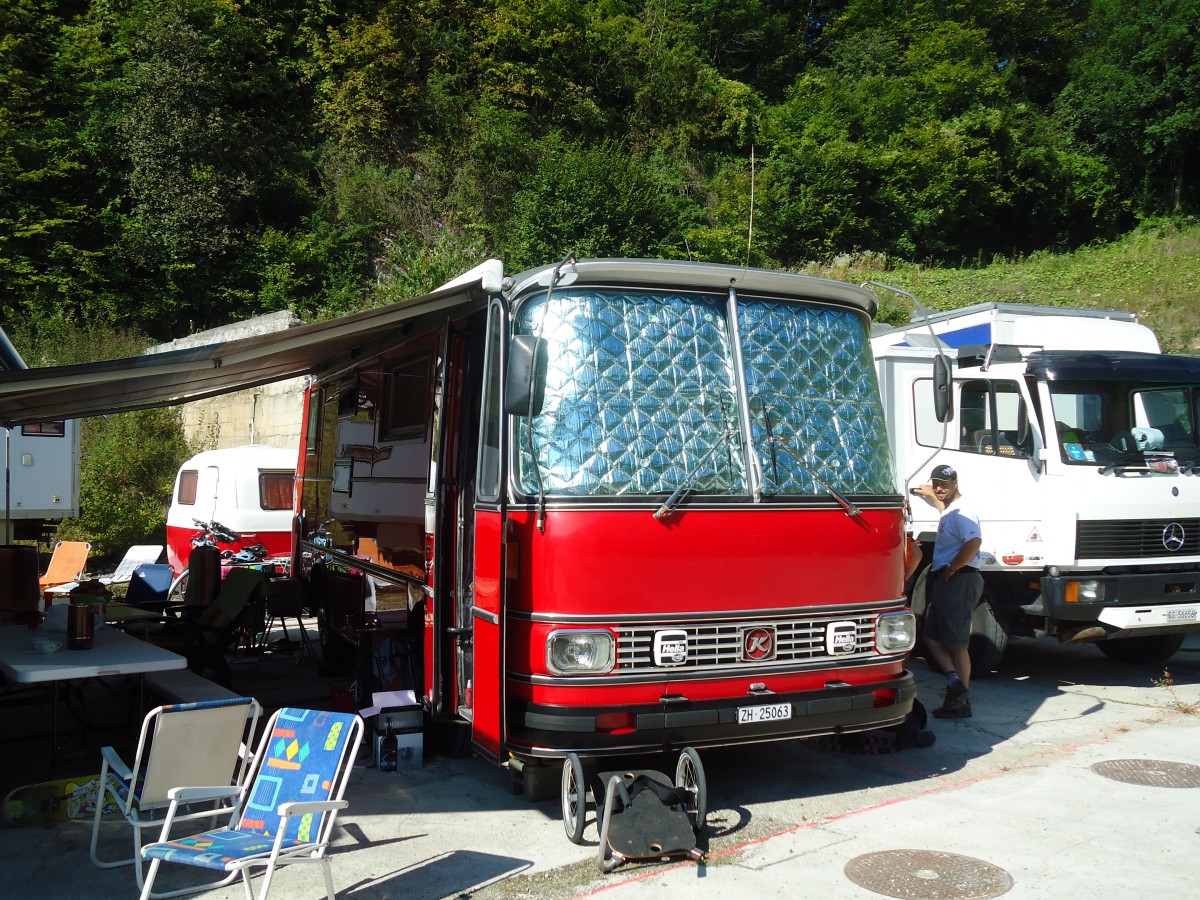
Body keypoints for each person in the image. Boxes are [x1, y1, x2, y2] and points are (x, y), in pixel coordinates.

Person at [911, 463, 983, 719]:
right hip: (948, 581)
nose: (940, 488)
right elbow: (944, 508)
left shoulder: (963, 511)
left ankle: (962, 701)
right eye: (936, 483)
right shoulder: (951, 509)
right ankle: (954, 682)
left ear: (956, 483)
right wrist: (931, 496)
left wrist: (952, 569)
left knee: (956, 644)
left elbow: (974, 542)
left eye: (944, 484)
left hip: (959, 580)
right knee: (931, 636)